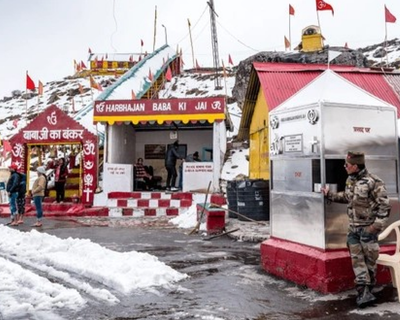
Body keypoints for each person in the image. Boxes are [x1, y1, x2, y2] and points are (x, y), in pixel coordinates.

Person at [321, 151, 391, 308]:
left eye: (347, 165)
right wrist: (330, 195)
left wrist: (375, 227)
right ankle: (363, 292)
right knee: (357, 260)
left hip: (368, 230)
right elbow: (347, 197)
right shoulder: (350, 180)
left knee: (369, 261)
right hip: (353, 229)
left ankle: (369, 290)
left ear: (355, 166)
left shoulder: (374, 182)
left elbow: (385, 206)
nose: (344, 167)